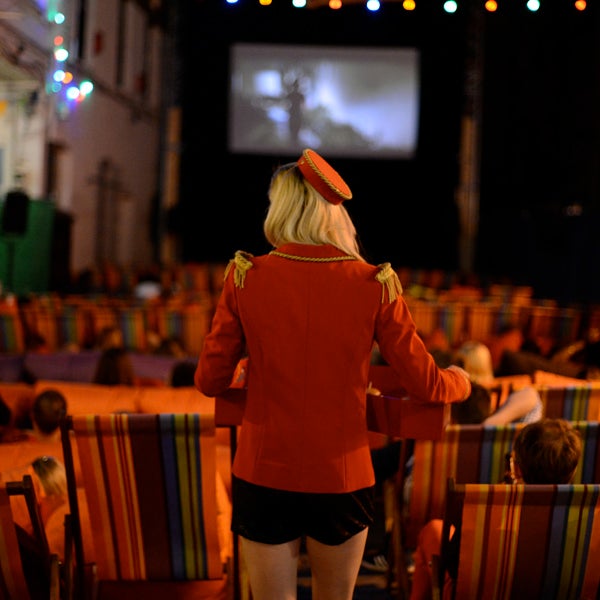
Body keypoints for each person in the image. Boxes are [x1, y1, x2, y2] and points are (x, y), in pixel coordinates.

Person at [194, 148, 471, 600]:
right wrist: (462, 378)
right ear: (334, 214)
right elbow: (427, 384)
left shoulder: (246, 277)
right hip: (343, 478)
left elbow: (209, 381)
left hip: (263, 472)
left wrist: (252, 368)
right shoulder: (373, 283)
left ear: (281, 209)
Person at [409, 418, 582, 600]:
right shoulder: (588, 517)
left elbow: (453, 566)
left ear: (519, 470)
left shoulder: (490, 509)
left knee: (433, 530)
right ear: (573, 470)